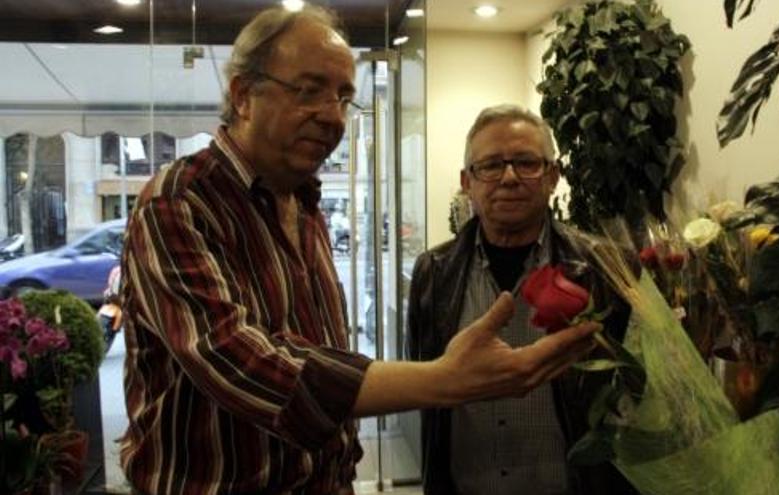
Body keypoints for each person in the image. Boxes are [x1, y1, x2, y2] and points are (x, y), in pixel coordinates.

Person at [119, 7, 599, 495]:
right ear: (243, 95)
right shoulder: (180, 200)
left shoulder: (303, 203)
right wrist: (444, 380)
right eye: (308, 90)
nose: (332, 115)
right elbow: (241, 363)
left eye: (344, 97)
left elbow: (318, 349)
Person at [407, 104, 637, 495]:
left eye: (527, 163)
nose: (509, 178)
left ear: (552, 176)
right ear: (468, 181)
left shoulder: (605, 269)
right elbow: (426, 392)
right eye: (491, 165)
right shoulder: (433, 273)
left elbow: (633, 395)